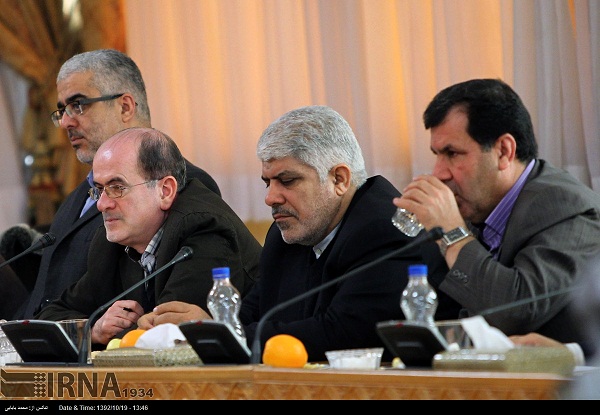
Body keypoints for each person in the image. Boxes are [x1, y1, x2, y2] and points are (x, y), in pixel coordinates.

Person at [138, 105, 461, 362]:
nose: (270, 197)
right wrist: (207, 325)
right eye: (267, 182)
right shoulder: (288, 233)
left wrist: (218, 335)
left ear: (339, 179)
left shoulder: (385, 228)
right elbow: (251, 313)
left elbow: (342, 334)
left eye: (287, 181)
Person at [392, 78, 600, 357]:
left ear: (504, 151)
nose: (439, 172)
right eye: (437, 155)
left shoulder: (564, 206)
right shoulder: (477, 208)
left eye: (452, 153)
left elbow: (514, 313)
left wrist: (453, 234)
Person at [13, 49, 221, 320]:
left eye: (78, 105)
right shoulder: (77, 197)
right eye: (62, 110)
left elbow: (170, 312)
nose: (65, 122)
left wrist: (93, 330)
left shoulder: (188, 185)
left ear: (125, 107)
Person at [36, 127, 261, 347]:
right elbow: (50, 315)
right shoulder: (112, 242)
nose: (102, 204)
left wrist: (112, 331)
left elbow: (167, 336)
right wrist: (94, 329)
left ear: (165, 191)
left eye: (117, 187)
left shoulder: (204, 228)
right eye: (99, 190)